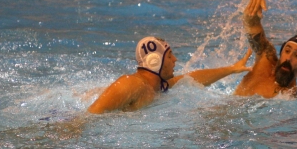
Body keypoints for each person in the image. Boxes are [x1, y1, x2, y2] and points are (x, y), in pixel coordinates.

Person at [88, 36, 252, 114]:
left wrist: (232, 69)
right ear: (155, 60)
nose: (175, 59)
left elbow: (192, 78)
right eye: (170, 55)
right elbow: (92, 115)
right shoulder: (131, 84)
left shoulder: (157, 86)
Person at [234, 0, 297, 98]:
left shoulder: (289, 97)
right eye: (287, 51)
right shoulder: (266, 59)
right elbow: (252, 26)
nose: (289, 58)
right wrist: (252, 11)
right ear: (281, 52)